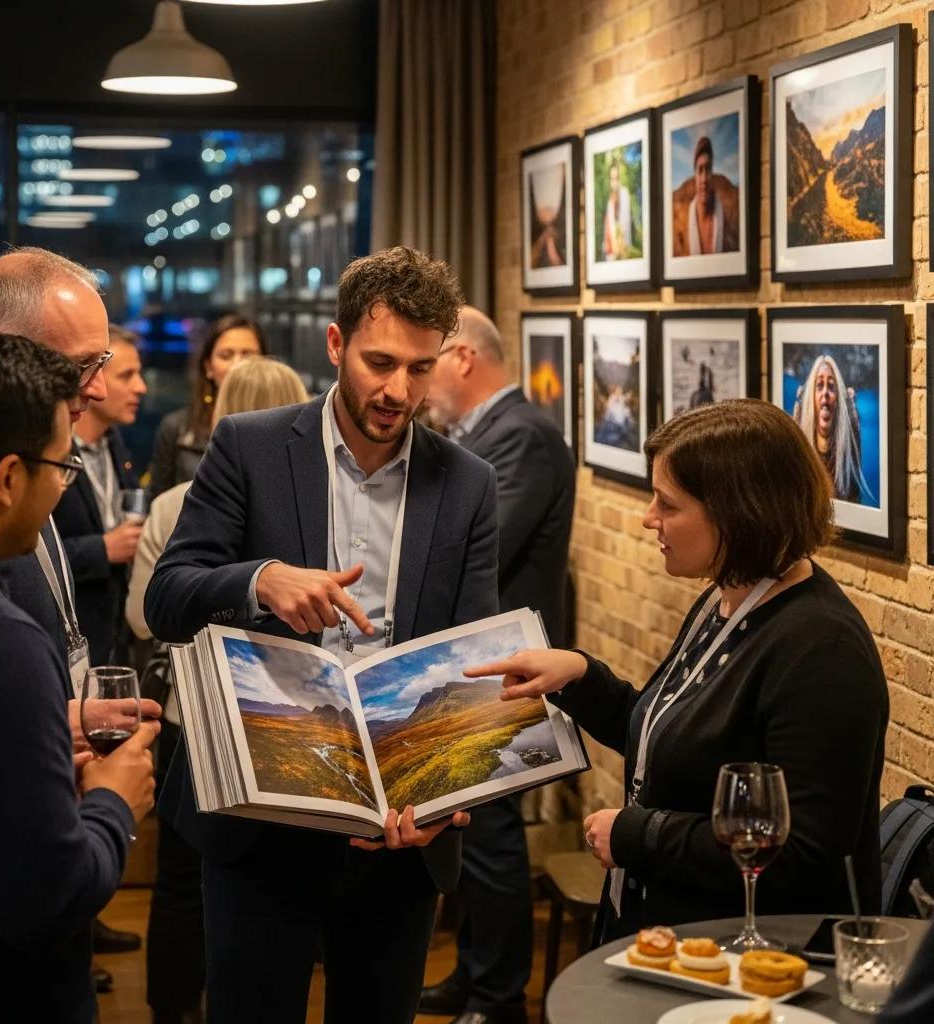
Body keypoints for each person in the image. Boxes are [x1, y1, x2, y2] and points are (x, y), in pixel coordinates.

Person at [145, 246, 499, 1024]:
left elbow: (474, 657)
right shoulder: (250, 444)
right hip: (260, 817)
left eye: (419, 367)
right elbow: (166, 599)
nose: (398, 389)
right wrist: (259, 578)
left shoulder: (468, 482)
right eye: (379, 363)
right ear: (335, 346)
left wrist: (443, 790)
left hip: (397, 831)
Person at [469, 399, 888, 945]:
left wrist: (637, 836)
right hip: (675, 934)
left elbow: (802, 851)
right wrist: (580, 677)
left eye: (668, 504)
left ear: (738, 513)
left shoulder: (822, 650)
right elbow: (672, 742)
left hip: (753, 960)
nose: (648, 518)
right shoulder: (728, 597)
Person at [0, 331, 159, 1022]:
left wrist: (41, 730)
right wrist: (113, 801)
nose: (63, 485)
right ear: (8, 478)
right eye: (61, 466)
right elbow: (43, 900)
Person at [0, 247, 156, 975]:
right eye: (80, 368)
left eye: (102, 364)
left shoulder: (45, 465)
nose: (97, 391)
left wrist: (56, 725)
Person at [127, 356, 309, 1024]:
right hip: (291, 719)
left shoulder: (172, 505)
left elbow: (139, 616)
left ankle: (171, 1010)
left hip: (190, 713)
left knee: (183, 880)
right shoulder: (300, 516)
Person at [422, 306, 575, 1024]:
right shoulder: (487, 434)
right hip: (480, 663)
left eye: (428, 363)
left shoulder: (525, 437)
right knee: (474, 830)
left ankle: (499, 996)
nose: (422, 384)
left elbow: (480, 548)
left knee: (491, 835)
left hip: (511, 667)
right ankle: (473, 976)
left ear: (462, 358)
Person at [54, 324, 147, 665]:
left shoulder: (118, 445)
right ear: (94, 380)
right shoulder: (50, 454)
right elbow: (24, 555)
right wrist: (103, 549)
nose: (141, 387)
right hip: (66, 645)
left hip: (113, 644)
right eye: (127, 376)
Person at [148, 313, 265, 500]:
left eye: (248, 355)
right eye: (226, 355)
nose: (237, 365)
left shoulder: (280, 426)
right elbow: (157, 505)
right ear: (208, 367)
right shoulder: (177, 429)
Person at [793, 353, 872, 504]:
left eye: (831, 386)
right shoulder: (802, 452)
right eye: (819, 385)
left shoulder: (848, 449)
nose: (825, 393)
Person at [686, 136, 724, 255]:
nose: (703, 179)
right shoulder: (686, 220)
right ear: (695, 175)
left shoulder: (722, 217)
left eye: (708, 170)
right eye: (700, 170)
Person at [602, 159, 633, 261]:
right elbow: (609, 229)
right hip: (612, 253)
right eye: (612, 178)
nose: (614, 182)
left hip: (622, 252)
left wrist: (619, 247)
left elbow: (625, 223)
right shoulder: (610, 201)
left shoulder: (624, 194)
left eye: (616, 178)